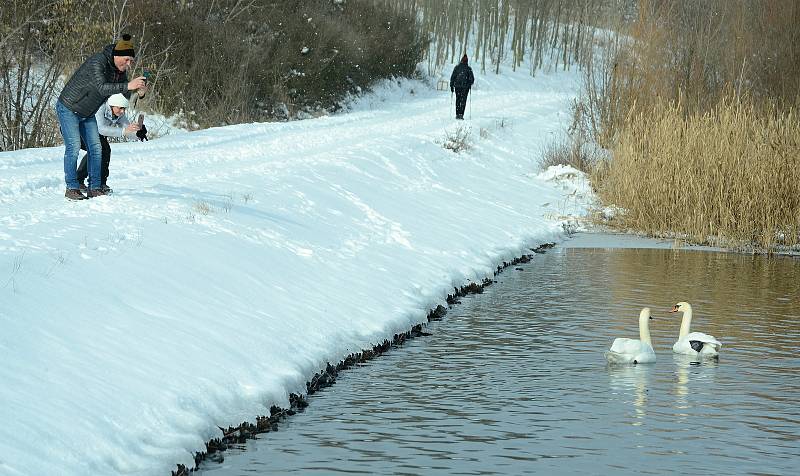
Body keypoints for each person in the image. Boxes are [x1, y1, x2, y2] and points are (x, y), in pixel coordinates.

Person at [56, 34, 147, 200]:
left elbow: (121, 95)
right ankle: (72, 187)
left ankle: (95, 188)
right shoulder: (97, 61)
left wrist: (139, 93)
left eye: (131, 61)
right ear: (117, 55)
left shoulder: (119, 72)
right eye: (126, 60)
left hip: (88, 111)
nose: (128, 64)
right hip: (69, 107)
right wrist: (129, 85)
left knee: (97, 148)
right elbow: (101, 88)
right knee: (74, 147)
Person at [75, 94, 141, 193]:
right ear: (112, 105)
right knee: (100, 149)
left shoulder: (120, 114)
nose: (122, 111)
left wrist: (138, 134)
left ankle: (94, 182)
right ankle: (92, 182)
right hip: (77, 131)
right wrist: (123, 131)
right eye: (120, 108)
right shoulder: (100, 107)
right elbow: (101, 128)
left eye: (124, 109)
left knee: (101, 150)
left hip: (92, 132)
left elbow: (127, 129)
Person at [449, 53, 475, 120]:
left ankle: (457, 114)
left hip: (457, 87)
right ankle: (461, 114)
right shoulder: (469, 69)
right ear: (467, 61)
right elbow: (472, 79)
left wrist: (451, 86)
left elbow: (452, 77)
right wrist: (469, 84)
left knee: (458, 100)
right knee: (463, 101)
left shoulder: (457, 67)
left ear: (461, 60)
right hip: (465, 88)